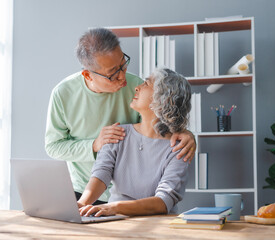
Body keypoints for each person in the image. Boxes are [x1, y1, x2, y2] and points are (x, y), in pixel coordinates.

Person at [45, 28, 195, 204]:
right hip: (85, 190)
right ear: (87, 74)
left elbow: (156, 125)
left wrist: (185, 133)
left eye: (123, 64)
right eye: (113, 73)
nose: (123, 76)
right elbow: (54, 146)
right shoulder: (63, 94)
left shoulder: (134, 85)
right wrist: (94, 145)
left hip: (134, 197)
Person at [78, 68, 191, 216]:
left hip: (157, 224)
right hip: (115, 219)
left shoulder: (179, 147)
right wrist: (81, 204)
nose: (137, 87)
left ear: (165, 99)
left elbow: (164, 201)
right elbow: (101, 174)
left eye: (146, 84)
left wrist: (115, 207)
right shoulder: (118, 133)